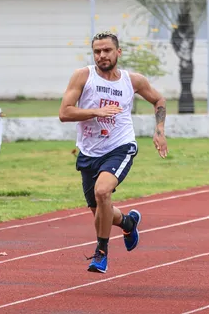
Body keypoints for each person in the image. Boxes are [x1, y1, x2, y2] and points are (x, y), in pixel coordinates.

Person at [58, 31, 168, 274]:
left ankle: (101, 253)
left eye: (107, 50)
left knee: (102, 191)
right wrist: (96, 112)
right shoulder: (83, 76)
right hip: (89, 151)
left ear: (118, 52)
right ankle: (128, 223)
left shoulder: (132, 80)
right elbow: (65, 112)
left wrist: (159, 130)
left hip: (120, 146)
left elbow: (158, 99)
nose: (101, 55)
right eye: (97, 51)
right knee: (100, 210)